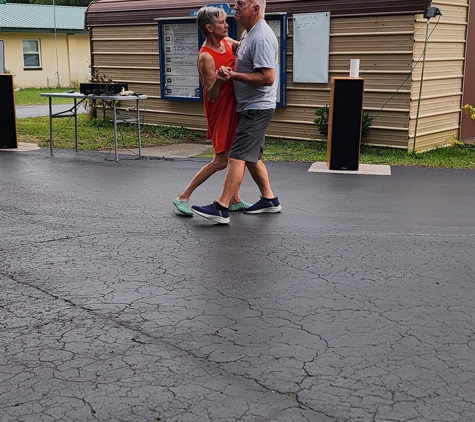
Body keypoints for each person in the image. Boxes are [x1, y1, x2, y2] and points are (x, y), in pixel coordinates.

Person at [191, 0, 282, 224]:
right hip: (249, 106)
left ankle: (221, 207)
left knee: (236, 156)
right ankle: (270, 200)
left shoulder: (261, 37)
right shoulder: (247, 34)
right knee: (252, 157)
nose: (235, 8)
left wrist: (232, 76)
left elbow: (267, 78)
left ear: (256, 8)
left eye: (241, 4)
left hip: (256, 107)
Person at [173, 6, 250, 217]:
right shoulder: (205, 56)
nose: (226, 25)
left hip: (235, 107)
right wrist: (219, 77)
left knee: (239, 155)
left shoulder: (227, 42)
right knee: (221, 161)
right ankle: (183, 196)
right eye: (222, 22)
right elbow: (211, 94)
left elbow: (245, 45)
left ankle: (234, 199)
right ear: (209, 27)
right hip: (220, 111)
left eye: (226, 21)